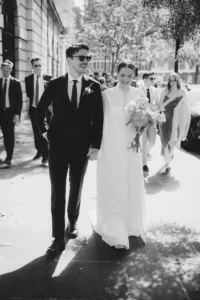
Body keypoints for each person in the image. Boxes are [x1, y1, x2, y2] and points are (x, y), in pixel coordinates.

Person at [37, 44, 104, 257]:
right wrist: (45, 133)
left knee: (76, 186)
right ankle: (57, 237)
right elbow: (38, 111)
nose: (86, 61)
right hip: (57, 146)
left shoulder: (93, 86)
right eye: (81, 57)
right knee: (58, 190)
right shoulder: (55, 84)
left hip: (81, 148)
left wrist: (95, 146)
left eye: (88, 57)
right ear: (69, 60)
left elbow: (98, 120)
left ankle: (72, 222)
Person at [95, 61, 146, 249]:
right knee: (115, 183)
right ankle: (114, 225)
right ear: (116, 74)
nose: (125, 79)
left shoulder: (139, 94)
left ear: (134, 77)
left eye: (129, 76)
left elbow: (144, 120)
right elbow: (102, 123)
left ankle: (131, 222)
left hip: (132, 146)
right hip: (111, 146)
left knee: (131, 182)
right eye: (122, 75)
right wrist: (98, 147)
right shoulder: (107, 95)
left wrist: (140, 132)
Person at [159, 72, 191, 173]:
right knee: (165, 139)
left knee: (174, 140)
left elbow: (186, 108)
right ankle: (167, 161)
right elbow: (160, 107)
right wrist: (170, 100)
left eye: (174, 80)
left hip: (177, 120)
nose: (172, 82)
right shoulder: (164, 91)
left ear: (178, 80)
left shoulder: (183, 92)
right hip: (165, 118)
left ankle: (168, 161)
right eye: (170, 80)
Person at [25, 57, 51, 164]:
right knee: (36, 132)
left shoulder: (49, 78)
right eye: (36, 65)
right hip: (34, 109)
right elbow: (29, 94)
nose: (38, 67)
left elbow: (52, 94)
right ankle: (39, 151)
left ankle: (46, 155)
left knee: (44, 131)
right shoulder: (28, 79)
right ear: (32, 67)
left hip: (45, 109)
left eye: (40, 65)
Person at [0, 60, 22, 166]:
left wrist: (17, 114)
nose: (5, 73)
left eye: (7, 71)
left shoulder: (16, 83)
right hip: (0, 113)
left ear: (10, 70)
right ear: (1, 70)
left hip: (10, 113)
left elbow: (19, 100)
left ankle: (9, 157)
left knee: (9, 135)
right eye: (3, 71)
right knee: (3, 135)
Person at [140, 72, 160, 172]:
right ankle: (144, 164)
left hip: (153, 120)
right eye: (151, 78)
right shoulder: (138, 90)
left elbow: (158, 105)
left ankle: (144, 152)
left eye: (153, 79)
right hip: (142, 120)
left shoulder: (156, 91)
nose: (153, 80)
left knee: (152, 141)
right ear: (145, 79)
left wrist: (156, 112)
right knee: (143, 142)